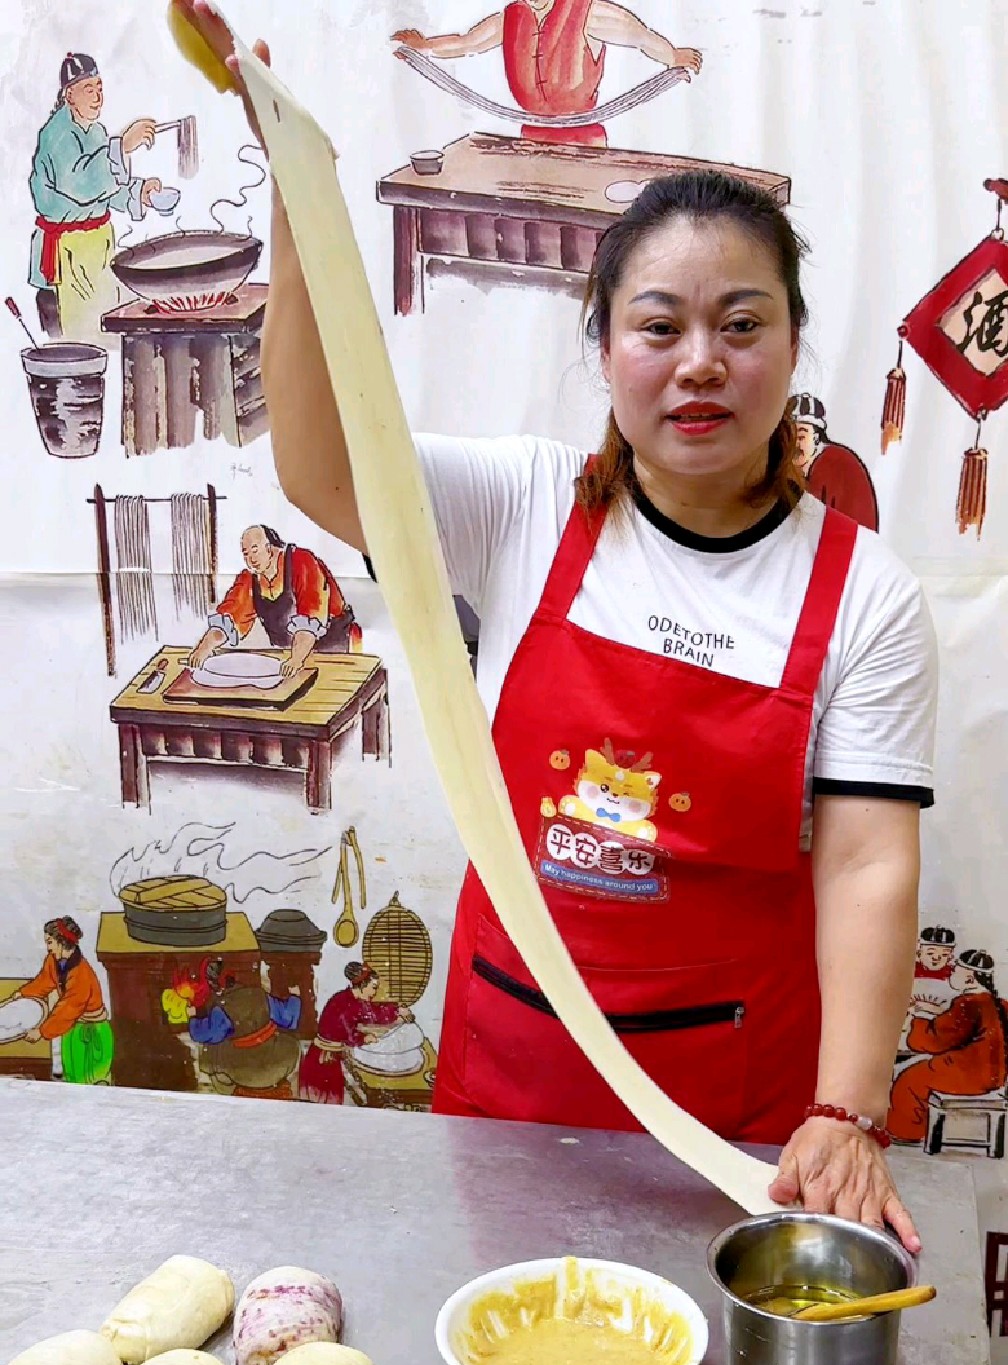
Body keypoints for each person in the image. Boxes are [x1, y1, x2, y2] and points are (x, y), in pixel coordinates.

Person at [176, 5, 938, 1249]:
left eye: (741, 325)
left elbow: (863, 865)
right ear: (604, 349)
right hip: (510, 1088)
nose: (700, 362)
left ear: (794, 344)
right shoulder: (523, 504)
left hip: (732, 1120)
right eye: (660, 326)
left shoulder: (864, 593)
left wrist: (845, 1108)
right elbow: (320, 465)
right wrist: (299, 209)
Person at [391, 3, 702, 148]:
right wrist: (424, 47)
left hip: (584, 144)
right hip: (531, 140)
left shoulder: (589, 12)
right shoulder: (509, 17)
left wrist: (673, 57)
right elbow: (466, 42)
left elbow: (641, 37)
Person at [29, 52, 165, 342]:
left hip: (97, 247)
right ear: (69, 95)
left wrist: (139, 192)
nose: (98, 97)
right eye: (89, 89)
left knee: (110, 326)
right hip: (67, 253)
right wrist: (124, 146)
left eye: (100, 88)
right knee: (82, 341)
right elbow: (81, 185)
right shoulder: (57, 135)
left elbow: (105, 191)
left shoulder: (96, 132)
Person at [187, 524, 362, 680]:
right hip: (287, 657)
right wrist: (204, 648)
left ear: (269, 548)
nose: (250, 559)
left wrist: (296, 659)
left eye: (254, 550)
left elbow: (312, 614)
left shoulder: (302, 561)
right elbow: (230, 617)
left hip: (334, 651)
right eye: (246, 554)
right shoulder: (250, 578)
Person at [888, 950, 1008, 1144]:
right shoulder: (1001, 1004)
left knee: (910, 1079)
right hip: (995, 1075)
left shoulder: (968, 1004)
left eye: (955, 970)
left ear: (969, 978)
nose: (951, 973)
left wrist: (918, 1018)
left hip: (968, 1073)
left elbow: (935, 1041)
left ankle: (905, 1133)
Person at [1, 917, 113, 1083]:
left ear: (62, 941)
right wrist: (20, 995)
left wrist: (41, 1031)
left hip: (91, 1033)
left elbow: (69, 1008)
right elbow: (44, 981)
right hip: (71, 1029)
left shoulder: (81, 973)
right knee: (72, 1076)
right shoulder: (53, 961)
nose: (48, 948)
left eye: (50, 942)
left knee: (90, 1080)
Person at [299, 963, 413, 1105]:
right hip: (323, 1060)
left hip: (327, 1056)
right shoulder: (347, 1004)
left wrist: (397, 1009)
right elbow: (352, 1036)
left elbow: (374, 1011)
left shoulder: (349, 998)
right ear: (362, 985)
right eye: (373, 987)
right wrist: (365, 1038)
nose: (374, 992)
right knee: (324, 1108)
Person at [190, 975, 302, 1099]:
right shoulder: (261, 996)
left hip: (243, 1072)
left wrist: (195, 1018)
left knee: (212, 1051)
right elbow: (289, 1018)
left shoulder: (223, 1007)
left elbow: (206, 1034)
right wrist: (294, 998)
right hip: (276, 1062)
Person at [793, 393, 879, 532]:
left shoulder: (832, 463)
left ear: (816, 438)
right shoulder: (802, 465)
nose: (794, 444)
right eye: (788, 436)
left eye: (801, 436)